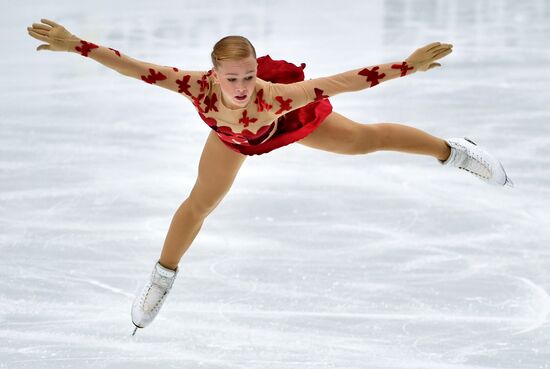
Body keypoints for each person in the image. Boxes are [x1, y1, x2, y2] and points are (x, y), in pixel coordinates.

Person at [27, 18, 513, 335]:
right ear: (214, 74)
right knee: (200, 203)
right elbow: (132, 67)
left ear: (257, 71)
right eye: (231, 78)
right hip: (232, 141)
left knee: (365, 140)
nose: (241, 87)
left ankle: (454, 152)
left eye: (248, 75)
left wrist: (408, 65)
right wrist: (77, 46)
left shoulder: (276, 97)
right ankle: (161, 277)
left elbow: (349, 79)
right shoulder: (193, 86)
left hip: (283, 127)